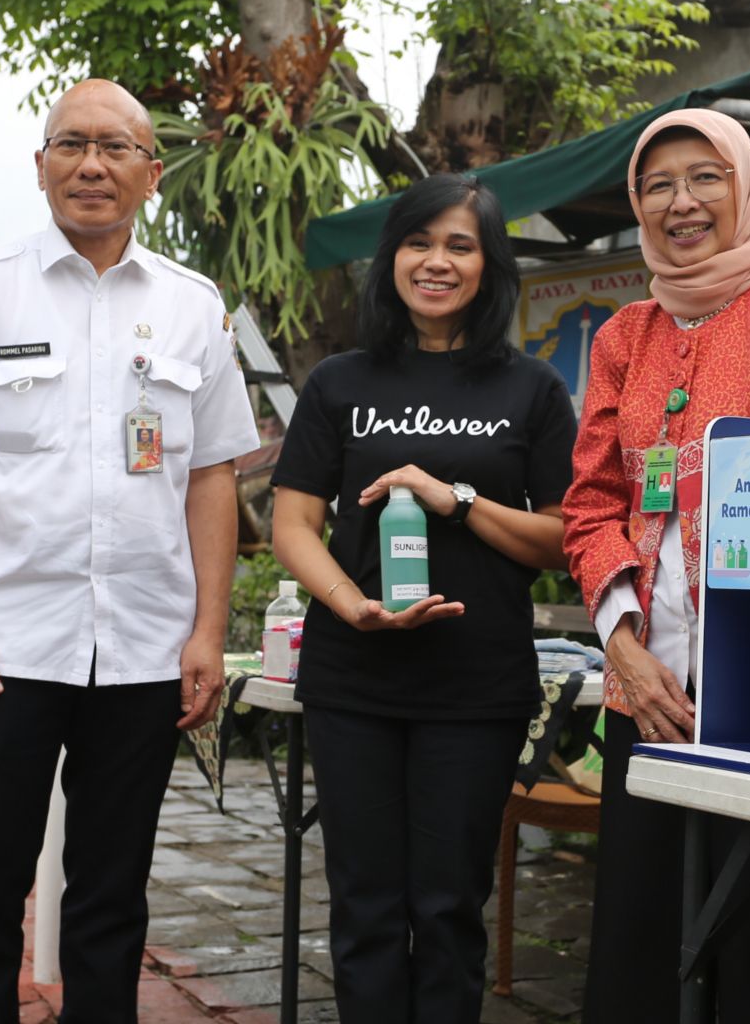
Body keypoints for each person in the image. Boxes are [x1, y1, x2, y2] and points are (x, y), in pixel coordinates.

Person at [0, 79, 260, 1023]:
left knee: (111, 895)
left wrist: (208, 630)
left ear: (151, 173)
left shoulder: (191, 305)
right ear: (40, 164)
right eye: (71, 144)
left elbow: (212, 476)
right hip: (2, 645)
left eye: (117, 147)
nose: (92, 164)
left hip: (142, 646)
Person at [562, 108, 750, 1022]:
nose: (681, 201)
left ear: (746, 188)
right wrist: (623, 646)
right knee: (642, 933)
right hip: (645, 689)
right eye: (657, 184)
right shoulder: (625, 337)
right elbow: (590, 506)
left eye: (706, 177)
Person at [268, 172, 577, 1023]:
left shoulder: (533, 390)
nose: (435, 262)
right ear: (392, 258)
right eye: (418, 242)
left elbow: (566, 538)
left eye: (459, 245)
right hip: (354, 676)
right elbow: (290, 519)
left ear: (489, 266)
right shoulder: (340, 382)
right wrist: (346, 602)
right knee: (364, 908)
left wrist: (461, 501)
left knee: (446, 909)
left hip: (476, 687)